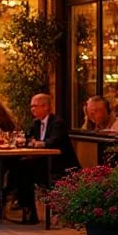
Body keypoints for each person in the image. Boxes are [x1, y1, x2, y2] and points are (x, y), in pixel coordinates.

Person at [15, 93, 79, 224]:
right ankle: (28, 211)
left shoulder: (57, 123)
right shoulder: (36, 123)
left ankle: (15, 203)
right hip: (43, 163)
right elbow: (28, 138)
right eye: (31, 106)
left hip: (60, 165)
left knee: (24, 170)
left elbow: (53, 141)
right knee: (20, 168)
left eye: (34, 106)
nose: (32, 109)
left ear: (45, 107)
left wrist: (40, 143)